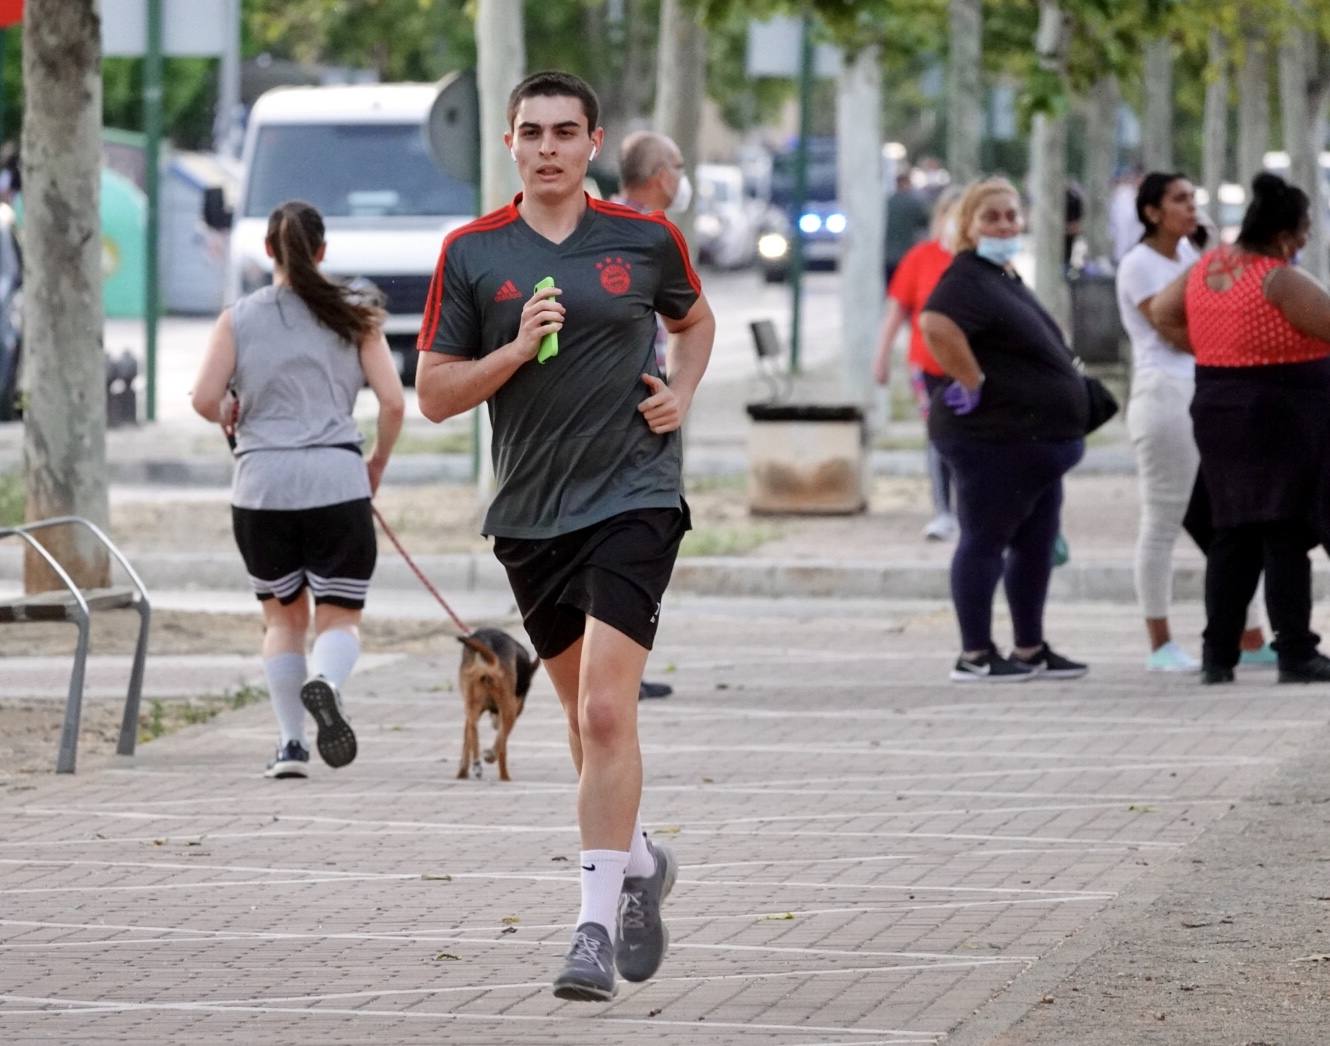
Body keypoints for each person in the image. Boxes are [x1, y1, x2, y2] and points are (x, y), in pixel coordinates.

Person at [415, 70, 715, 1000]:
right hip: (532, 515)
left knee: (601, 714)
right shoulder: (472, 253)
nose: (548, 147)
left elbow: (695, 321)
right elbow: (431, 396)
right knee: (588, 728)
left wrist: (683, 395)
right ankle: (640, 862)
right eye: (531, 132)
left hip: (635, 496)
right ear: (508, 144)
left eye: (565, 131)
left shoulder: (644, 237)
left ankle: (589, 929)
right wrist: (510, 349)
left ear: (593, 144)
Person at [191, 199, 404, 777]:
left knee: (282, 620)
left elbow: (204, 399)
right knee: (339, 618)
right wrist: (377, 461)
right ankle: (326, 680)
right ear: (323, 251)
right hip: (337, 479)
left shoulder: (237, 317)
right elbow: (391, 402)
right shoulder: (356, 315)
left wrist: (233, 409)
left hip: (261, 486)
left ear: (267, 251)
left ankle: (290, 745)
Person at [1151, 172, 1330, 685]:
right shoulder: (1280, 279)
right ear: (1283, 235)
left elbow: (1163, 314)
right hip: (1280, 413)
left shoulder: (1207, 268)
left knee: (1233, 533)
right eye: (1304, 230)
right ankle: (1296, 651)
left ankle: (1218, 655)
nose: (1305, 241)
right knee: (1284, 532)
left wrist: (1211, 350)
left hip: (1219, 409)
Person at [919, 177, 1090, 683]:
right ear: (969, 226)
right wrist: (973, 381)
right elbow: (935, 325)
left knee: (1036, 544)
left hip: (1035, 444)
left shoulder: (1004, 273)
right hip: (993, 441)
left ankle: (1029, 648)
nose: (1004, 225)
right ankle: (975, 653)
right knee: (985, 540)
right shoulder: (966, 277)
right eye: (991, 217)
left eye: (1011, 216)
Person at [1116, 171, 1270, 672]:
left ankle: (1249, 636)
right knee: (1162, 518)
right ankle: (1159, 642)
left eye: (1193, 199)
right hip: (1164, 393)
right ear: (1152, 212)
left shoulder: (1188, 257)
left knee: (1229, 521)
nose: (1191, 208)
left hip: (1202, 390)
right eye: (1180, 200)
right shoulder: (1140, 265)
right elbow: (1171, 327)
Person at [613, 129, 694, 702]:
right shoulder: (647, 233)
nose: (682, 177)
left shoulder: (614, 225)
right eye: (679, 165)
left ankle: (618, 670)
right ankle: (617, 671)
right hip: (637, 413)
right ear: (659, 175)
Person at [872, 186, 961, 540]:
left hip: (972, 368)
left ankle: (971, 508)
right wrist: (881, 357)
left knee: (972, 438)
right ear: (938, 219)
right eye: (948, 216)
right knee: (939, 436)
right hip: (927, 366)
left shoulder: (977, 260)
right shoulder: (920, 258)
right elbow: (896, 311)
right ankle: (943, 510)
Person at [884, 169, 930, 285]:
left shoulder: (888, 202)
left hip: (888, 255)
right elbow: (924, 222)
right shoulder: (914, 203)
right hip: (906, 254)